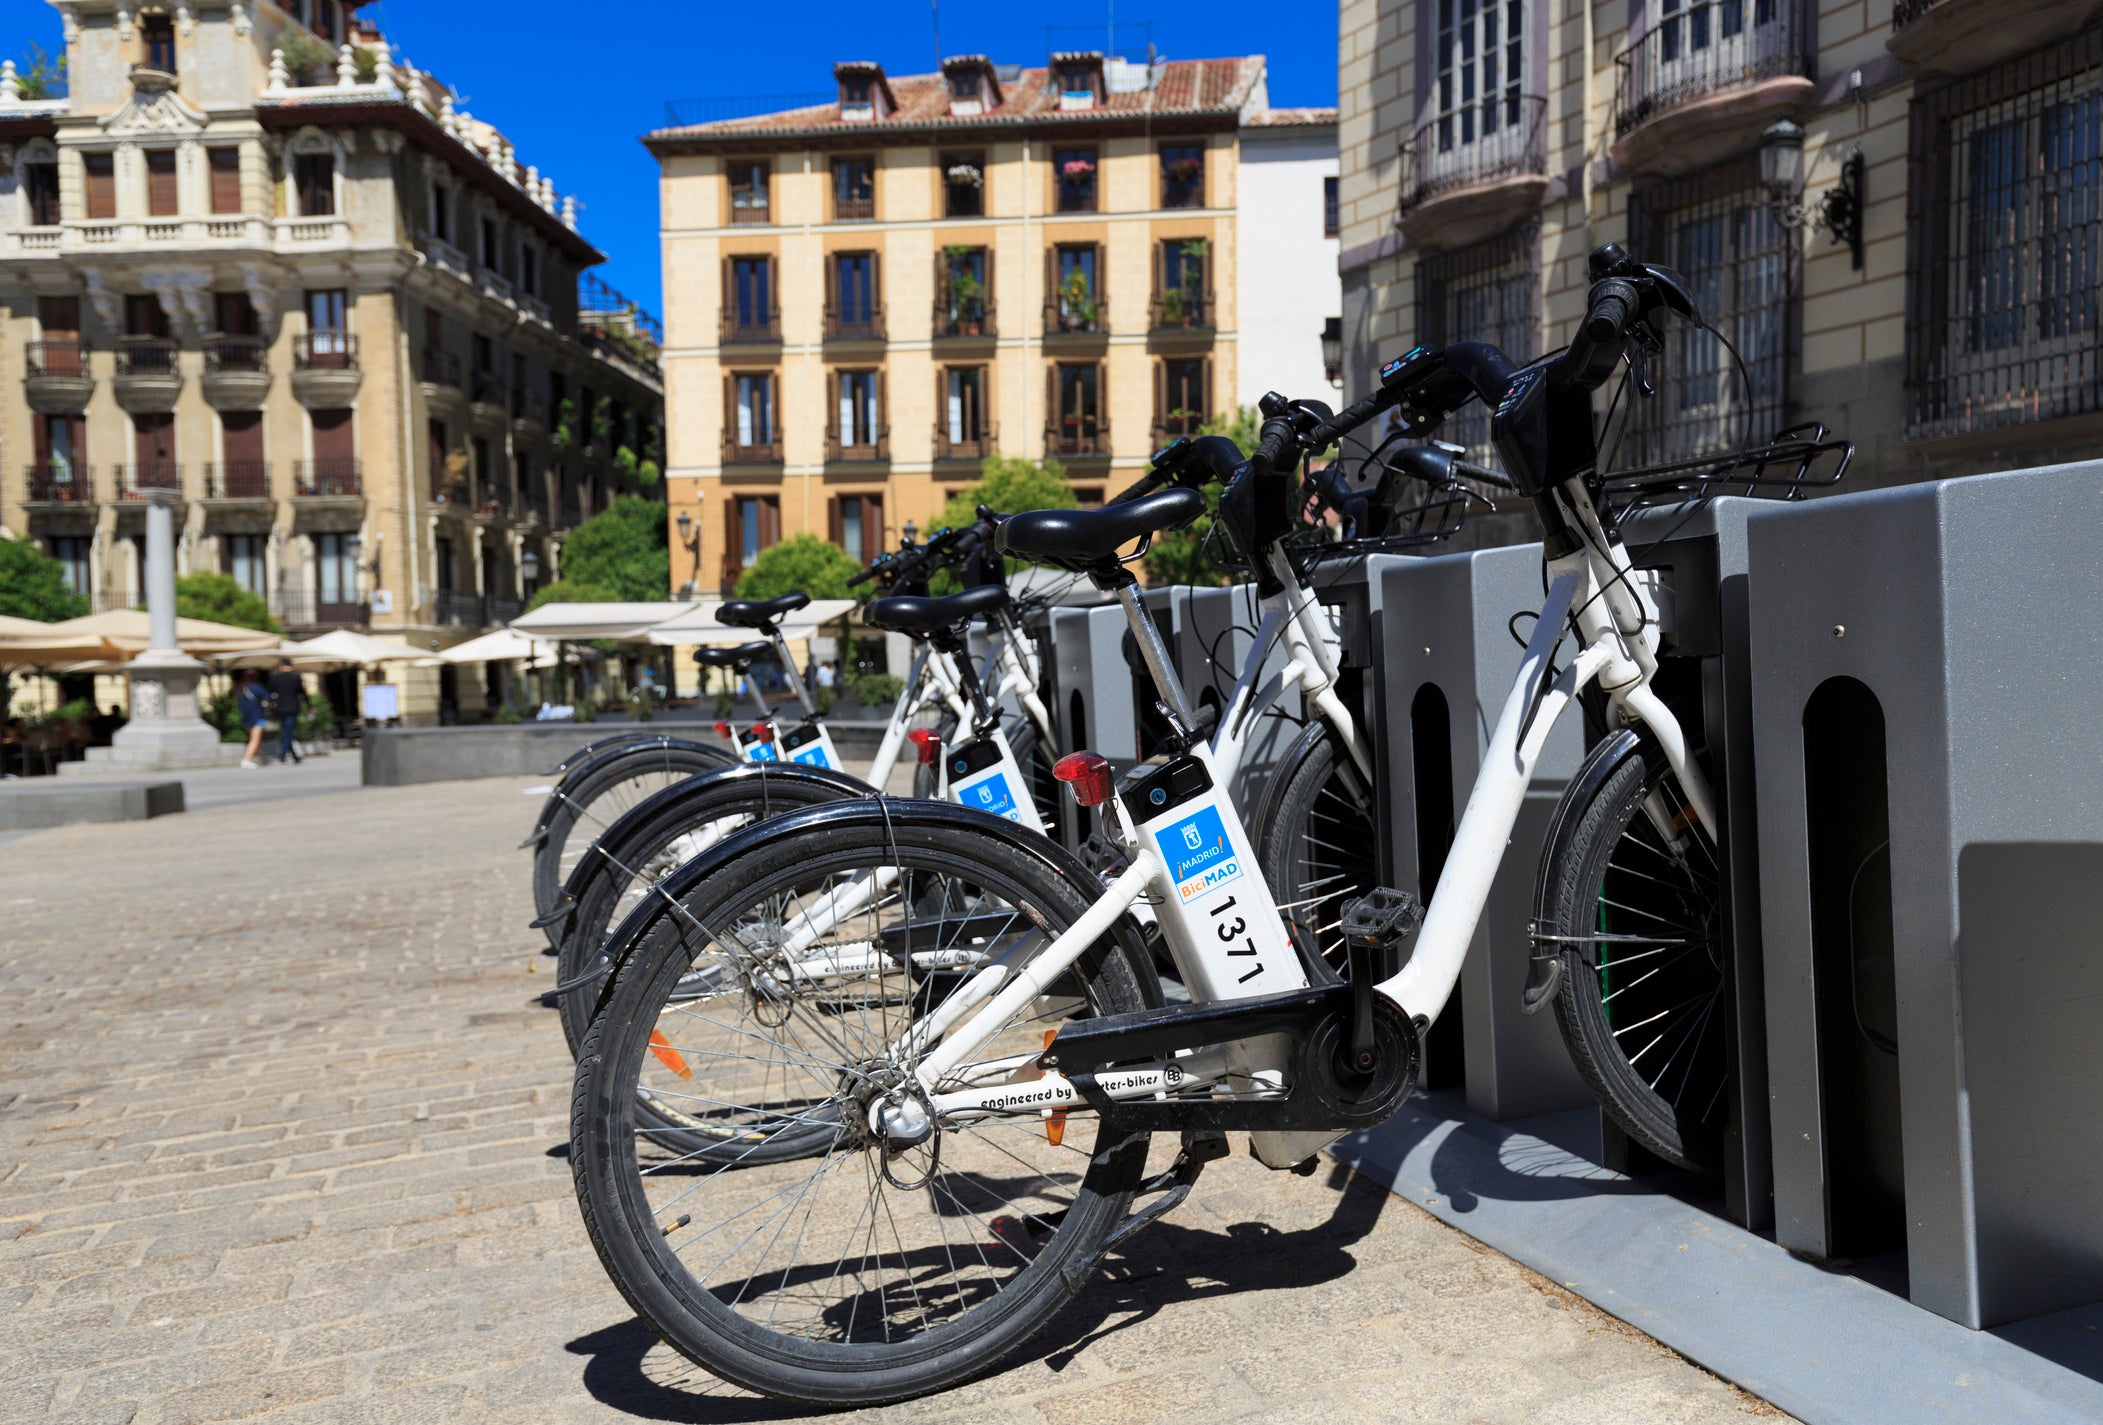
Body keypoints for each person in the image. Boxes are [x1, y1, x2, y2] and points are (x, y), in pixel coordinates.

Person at [267, 658, 306, 764]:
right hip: (292, 708)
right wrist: (309, 705)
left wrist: (271, 706)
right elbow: (302, 693)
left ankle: (292, 755)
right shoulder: (296, 678)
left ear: (281, 666)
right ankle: (283, 755)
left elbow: (269, 694)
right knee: (288, 732)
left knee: (286, 731)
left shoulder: (275, 678)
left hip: (279, 708)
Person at [238, 669, 270, 769]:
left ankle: (262, 758)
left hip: (246, 717)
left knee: (254, 738)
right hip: (257, 716)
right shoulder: (257, 687)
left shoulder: (242, 689)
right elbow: (268, 697)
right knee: (255, 739)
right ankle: (246, 760)